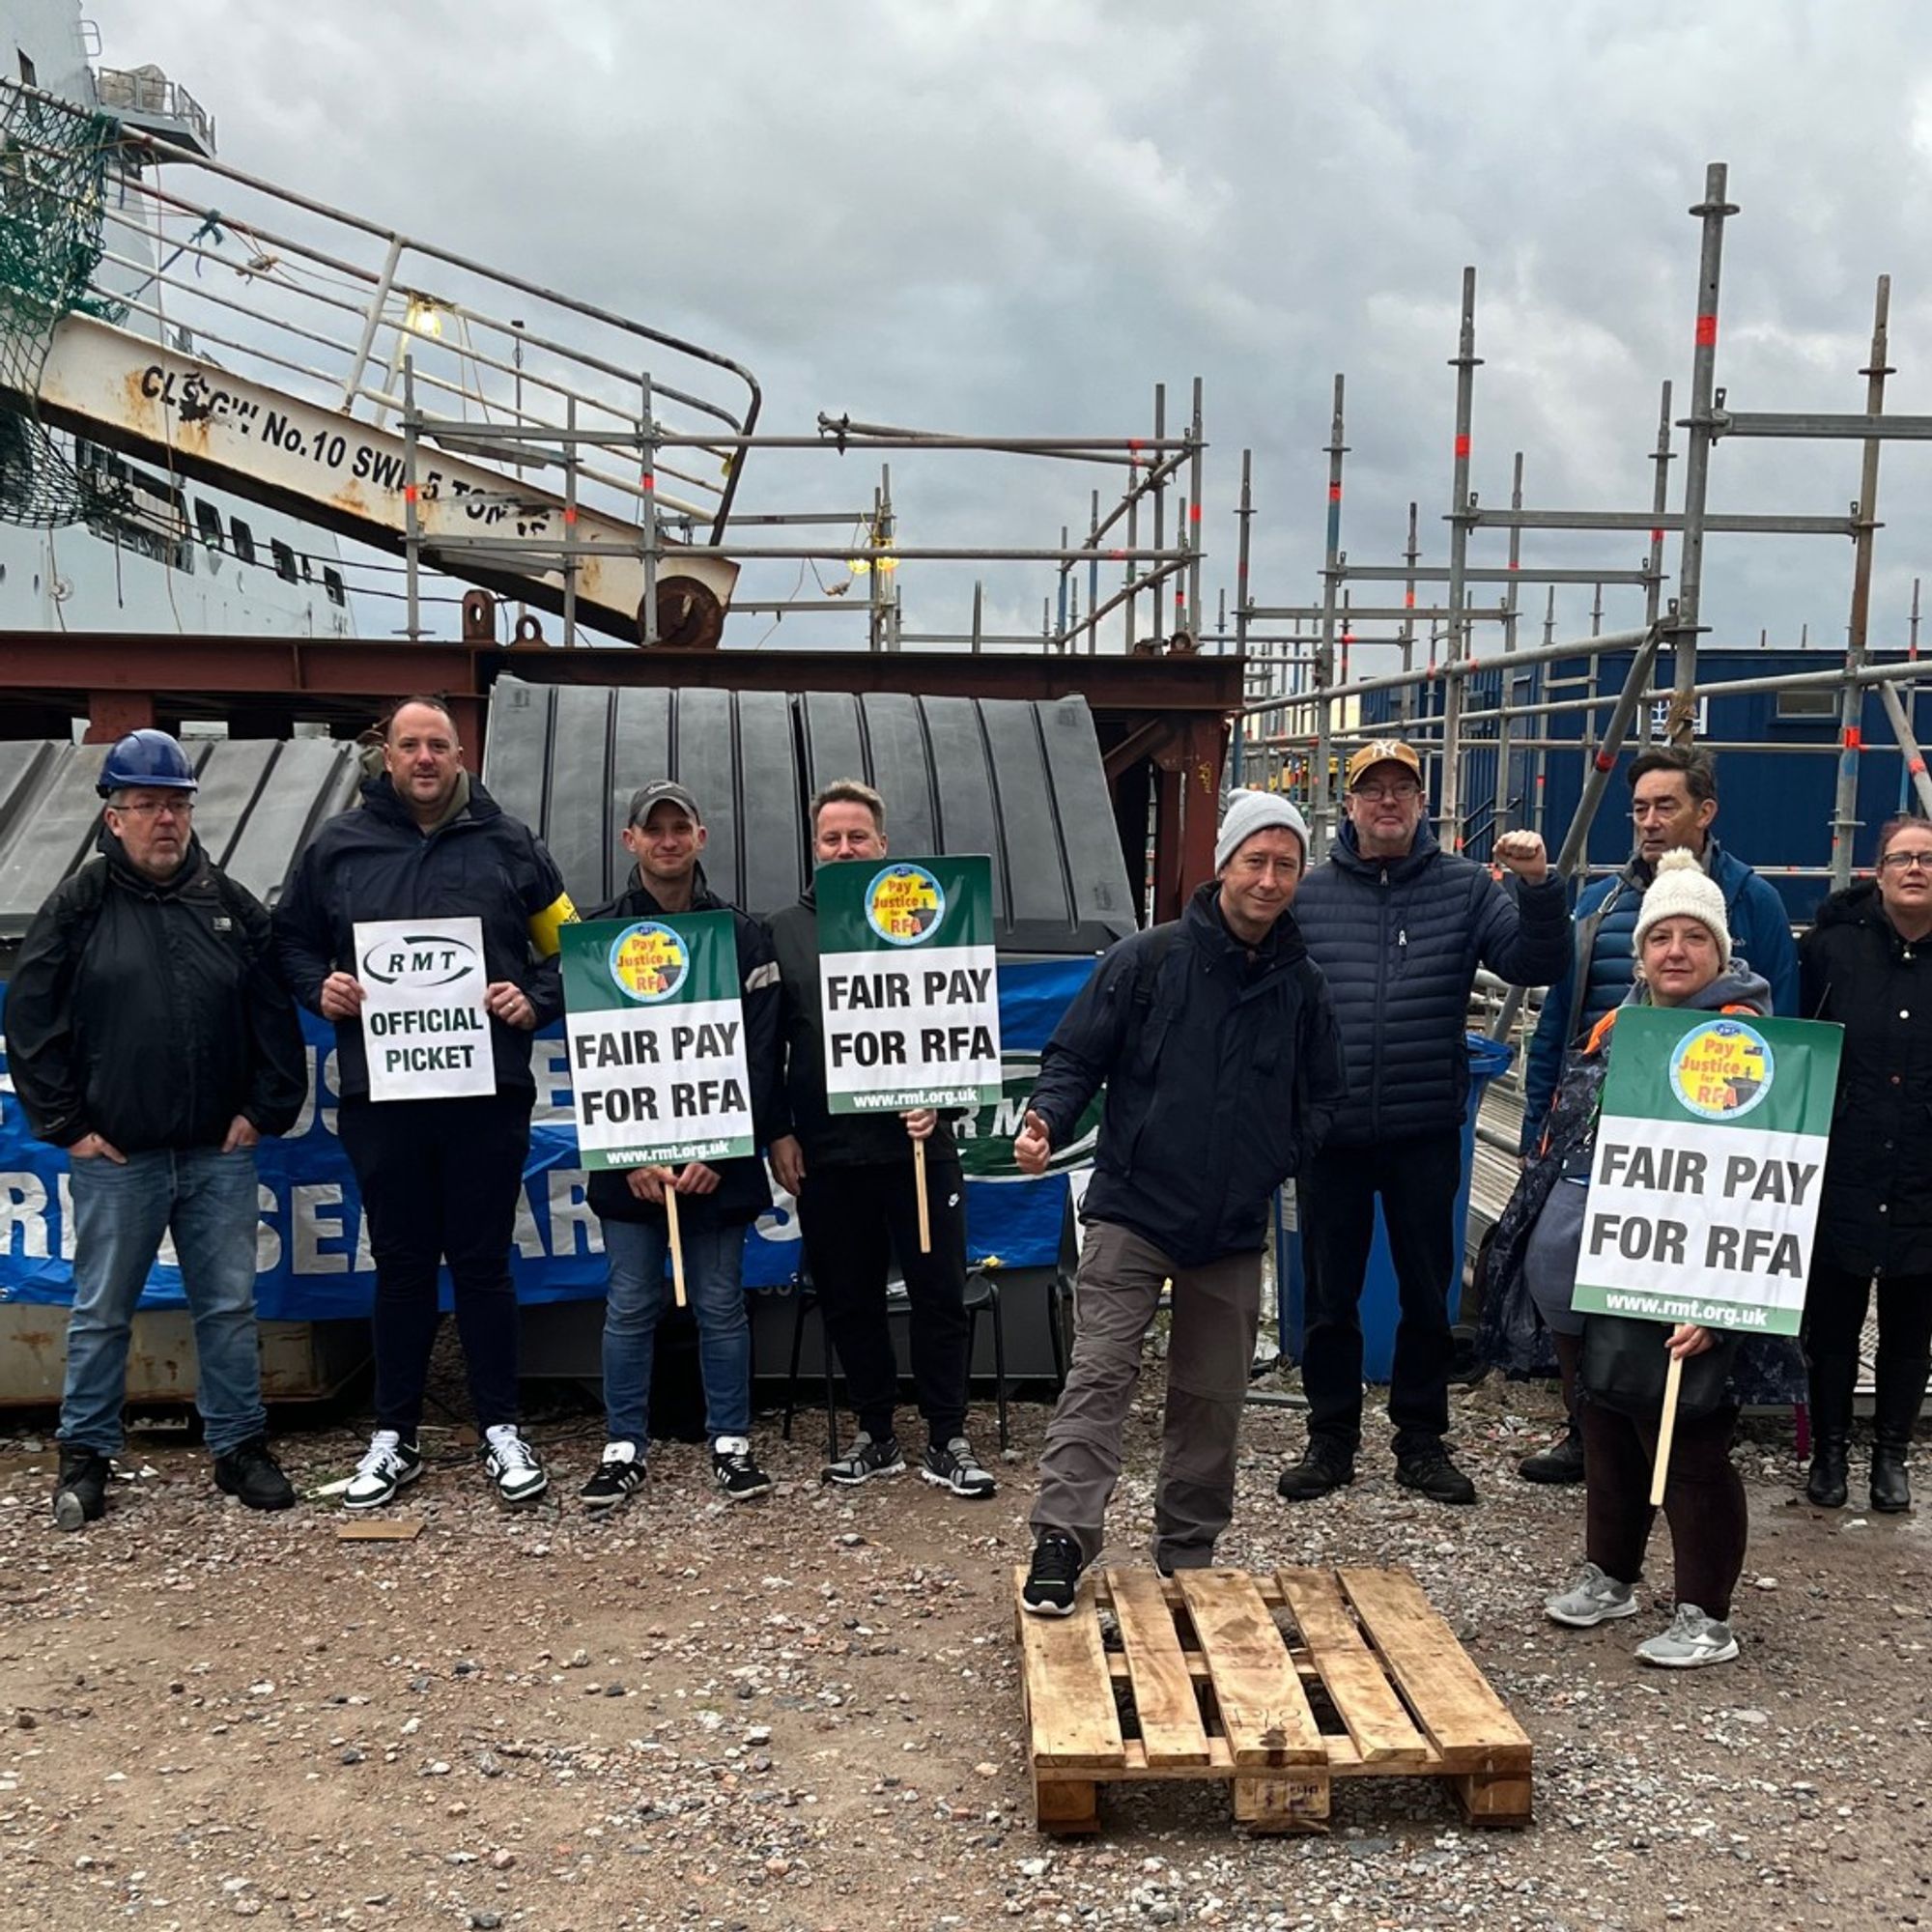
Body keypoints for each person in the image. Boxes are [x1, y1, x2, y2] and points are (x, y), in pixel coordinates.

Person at [1016, 793, 1346, 1614]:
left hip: (1231, 1230)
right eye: (1254, 861)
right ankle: (1062, 1540)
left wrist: (1272, 1162)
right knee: (1099, 1376)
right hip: (1132, 1209)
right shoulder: (1146, 961)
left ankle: (1187, 1550)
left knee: (1211, 1396)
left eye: (1285, 865)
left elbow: (1325, 1099)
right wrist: (1044, 1119)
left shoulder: (1302, 988)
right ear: (1222, 864)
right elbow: (1074, 1056)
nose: (1268, 881)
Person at [273, 696, 577, 1510]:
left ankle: (501, 1429)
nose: (424, 759)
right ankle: (394, 1434)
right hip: (384, 1093)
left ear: (459, 752)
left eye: (438, 745)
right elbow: (291, 941)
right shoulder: (337, 846)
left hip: (488, 1091)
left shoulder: (513, 844)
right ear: (388, 754)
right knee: (402, 1263)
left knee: (482, 1262)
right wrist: (320, 987)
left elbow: (570, 948)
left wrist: (534, 1001)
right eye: (409, 745)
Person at [6, 729, 307, 1529]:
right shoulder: (79, 904)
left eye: (175, 804)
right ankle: (86, 1459)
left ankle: (240, 1447)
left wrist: (263, 1109)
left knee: (229, 1307)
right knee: (103, 1310)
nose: (164, 819)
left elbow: (274, 1008)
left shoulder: (228, 903)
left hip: (216, 1152)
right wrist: (67, 1125)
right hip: (119, 1155)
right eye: (146, 805)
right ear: (114, 818)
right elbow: (30, 1018)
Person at [1492, 850, 1776, 1666]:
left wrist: (1714, 1300)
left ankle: (1706, 1615)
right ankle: (1611, 1576)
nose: (1676, 951)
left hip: (1684, 1282)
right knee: (1607, 1425)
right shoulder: (1622, 1024)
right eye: (1661, 937)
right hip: (1597, 1273)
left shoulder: (1745, 1043)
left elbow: (1760, 1185)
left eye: (1695, 937)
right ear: (1641, 951)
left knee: (1689, 1443)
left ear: (1722, 954)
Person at [1278, 738, 1570, 1507]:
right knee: (1329, 1295)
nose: (1386, 802)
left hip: (1423, 1127)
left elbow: (1534, 964)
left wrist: (1538, 887)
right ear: (1349, 805)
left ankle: (1420, 1440)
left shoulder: (1466, 888)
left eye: (1401, 789)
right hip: (1333, 1132)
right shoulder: (1309, 895)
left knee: (1425, 1291)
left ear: (1420, 804)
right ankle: (1330, 1437)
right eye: (1372, 789)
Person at [1513, 746, 1799, 1484]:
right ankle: (1588, 1432)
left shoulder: (1751, 902)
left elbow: (1780, 1040)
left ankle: (1674, 1449)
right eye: (1638, 808)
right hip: (1606, 1138)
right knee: (1585, 1299)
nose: (1648, 821)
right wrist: (1539, 1129)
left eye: (1664, 805)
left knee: (1669, 1327)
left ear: (1704, 812)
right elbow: (1560, 1025)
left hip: (1704, 1146)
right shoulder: (1599, 903)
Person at [766, 779, 996, 1500]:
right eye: (831, 839)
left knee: (937, 1292)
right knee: (848, 1297)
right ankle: (876, 1432)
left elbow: (961, 1025)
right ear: (814, 848)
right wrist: (777, 1133)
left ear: (882, 845)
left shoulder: (937, 912)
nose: (843, 849)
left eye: (856, 837)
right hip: (829, 1153)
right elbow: (762, 1045)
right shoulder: (783, 931)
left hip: (920, 1150)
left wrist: (946, 1105)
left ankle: (947, 1436)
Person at [581, 781, 783, 1511]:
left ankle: (730, 1440)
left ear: (701, 837)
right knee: (630, 1305)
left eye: (680, 828)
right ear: (630, 840)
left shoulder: (742, 934)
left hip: (716, 1163)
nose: (667, 840)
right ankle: (623, 1445)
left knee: (722, 1303)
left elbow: (762, 1057)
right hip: (630, 1166)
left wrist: (724, 1151)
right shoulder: (598, 937)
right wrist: (627, 1156)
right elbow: (590, 1059)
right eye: (653, 829)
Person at [1798, 813, 1932, 1514]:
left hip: (1922, 1171)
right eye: (1902, 858)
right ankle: (1829, 1453)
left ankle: (1891, 1456)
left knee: (1912, 1329)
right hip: (1843, 1162)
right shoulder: (1832, 950)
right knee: (1834, 1321)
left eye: (1928, 860)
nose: (1915, 870)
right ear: (1877, 873)